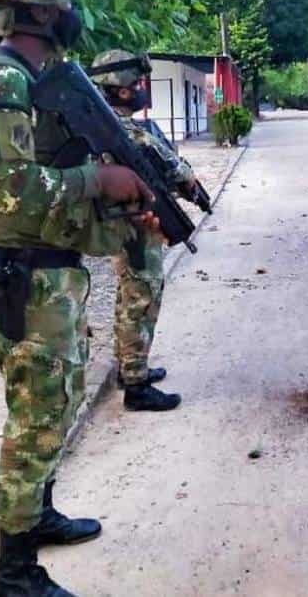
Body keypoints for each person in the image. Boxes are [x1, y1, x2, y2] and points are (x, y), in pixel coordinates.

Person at [0, 0, 159, 597]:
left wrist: (117, 206)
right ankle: (16, 572)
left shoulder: (35, 81)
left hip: (46, 272)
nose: (75, 7)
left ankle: (40, 513)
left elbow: (44, 185)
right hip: (24, 276)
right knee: (33, 419)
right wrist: (98, 179)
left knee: (55, 403)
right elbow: (13, 191)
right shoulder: (2, 80)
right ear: (46, 0)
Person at [90, 49, 197, 413]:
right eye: (137, 84)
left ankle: (129, 367)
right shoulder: (124, 130)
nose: (141, 90)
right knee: (142, 295)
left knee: (129, 293)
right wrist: (190, 183)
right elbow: (174, 170)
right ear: (120, 90)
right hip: (136, 224)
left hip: (123, 221)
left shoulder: (102, 127)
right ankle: (135, 385)